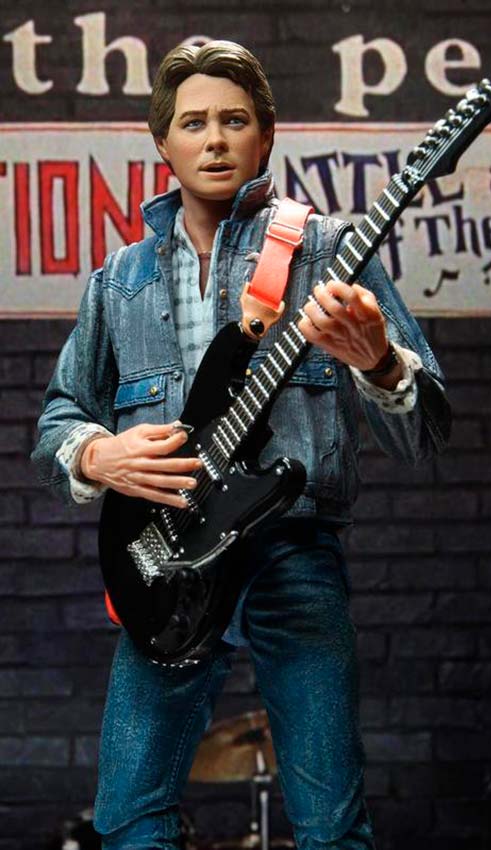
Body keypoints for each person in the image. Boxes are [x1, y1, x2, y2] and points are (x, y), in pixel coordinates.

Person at [31, 39, 451, 850]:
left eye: (235, 120)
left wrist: (379, 362)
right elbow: (58, 418)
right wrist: (94, 454)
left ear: (266, 136)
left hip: (293, 551)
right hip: (165, 562)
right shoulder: (120, 281)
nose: (215, 139)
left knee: (330, 825)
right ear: (163, 143)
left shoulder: (326, 250)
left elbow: (424, 433)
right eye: (193, 123)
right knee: (128, 817)